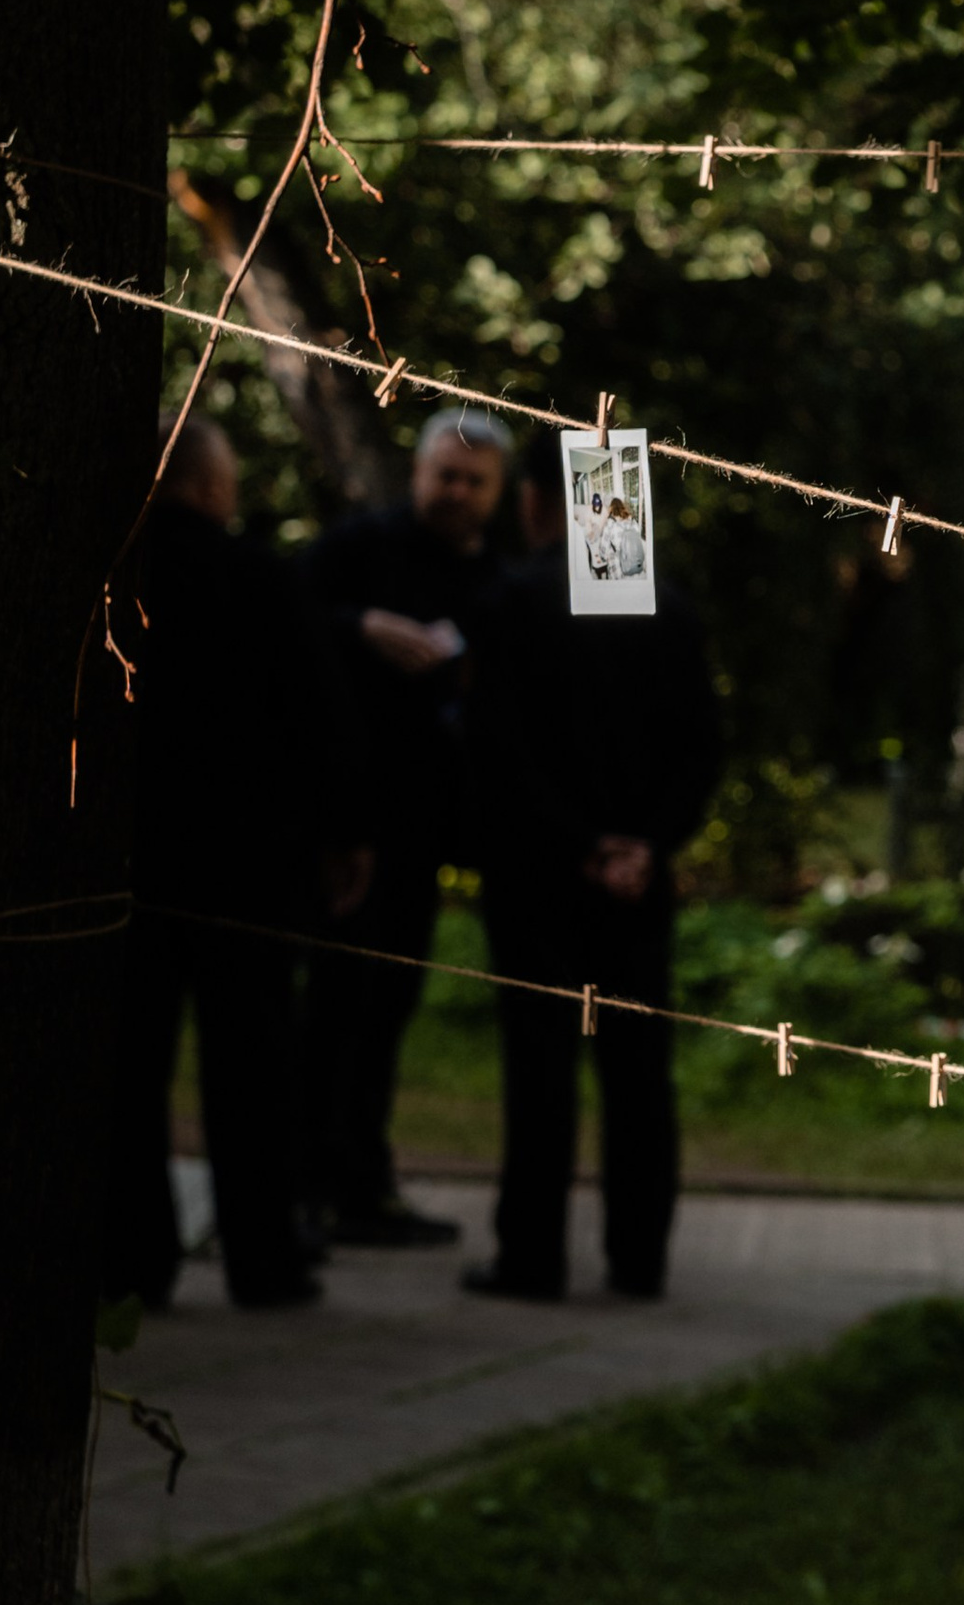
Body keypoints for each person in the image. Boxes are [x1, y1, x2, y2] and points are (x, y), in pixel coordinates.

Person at [109, 414, 368, 1312]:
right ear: (212, 486)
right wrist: (344, 836)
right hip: (250, 867)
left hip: (131, 862)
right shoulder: (258, 575)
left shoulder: (112, 577)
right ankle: (264, 1259)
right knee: (254, 1066)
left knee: (129, 1067)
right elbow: (321, 713)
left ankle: (130, 1260)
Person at [462, 438, 723, 1301]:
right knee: (638, 1070)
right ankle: (639, 1259)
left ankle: (532, 1257)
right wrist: (646, 845)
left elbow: (499, 751)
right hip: (639, 883)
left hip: (540, 877)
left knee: (540, 1067)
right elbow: (702, 750)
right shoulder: (670, 612)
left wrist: (581, 843)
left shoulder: (514, 600)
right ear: (628, 509)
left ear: (537, 500)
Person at [301, 407, 513, 1245]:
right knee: (333, 1005)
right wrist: (363, 626)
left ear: (496, 492)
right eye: (445, 476)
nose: (457, 492)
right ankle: (307, 1186)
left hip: (426, 832)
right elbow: (280, 623)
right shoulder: (358, 548)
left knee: (388, 1006)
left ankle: (361, 1184)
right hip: (346, 826)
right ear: (419, 473)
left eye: (474, 482)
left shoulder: (498, 578)